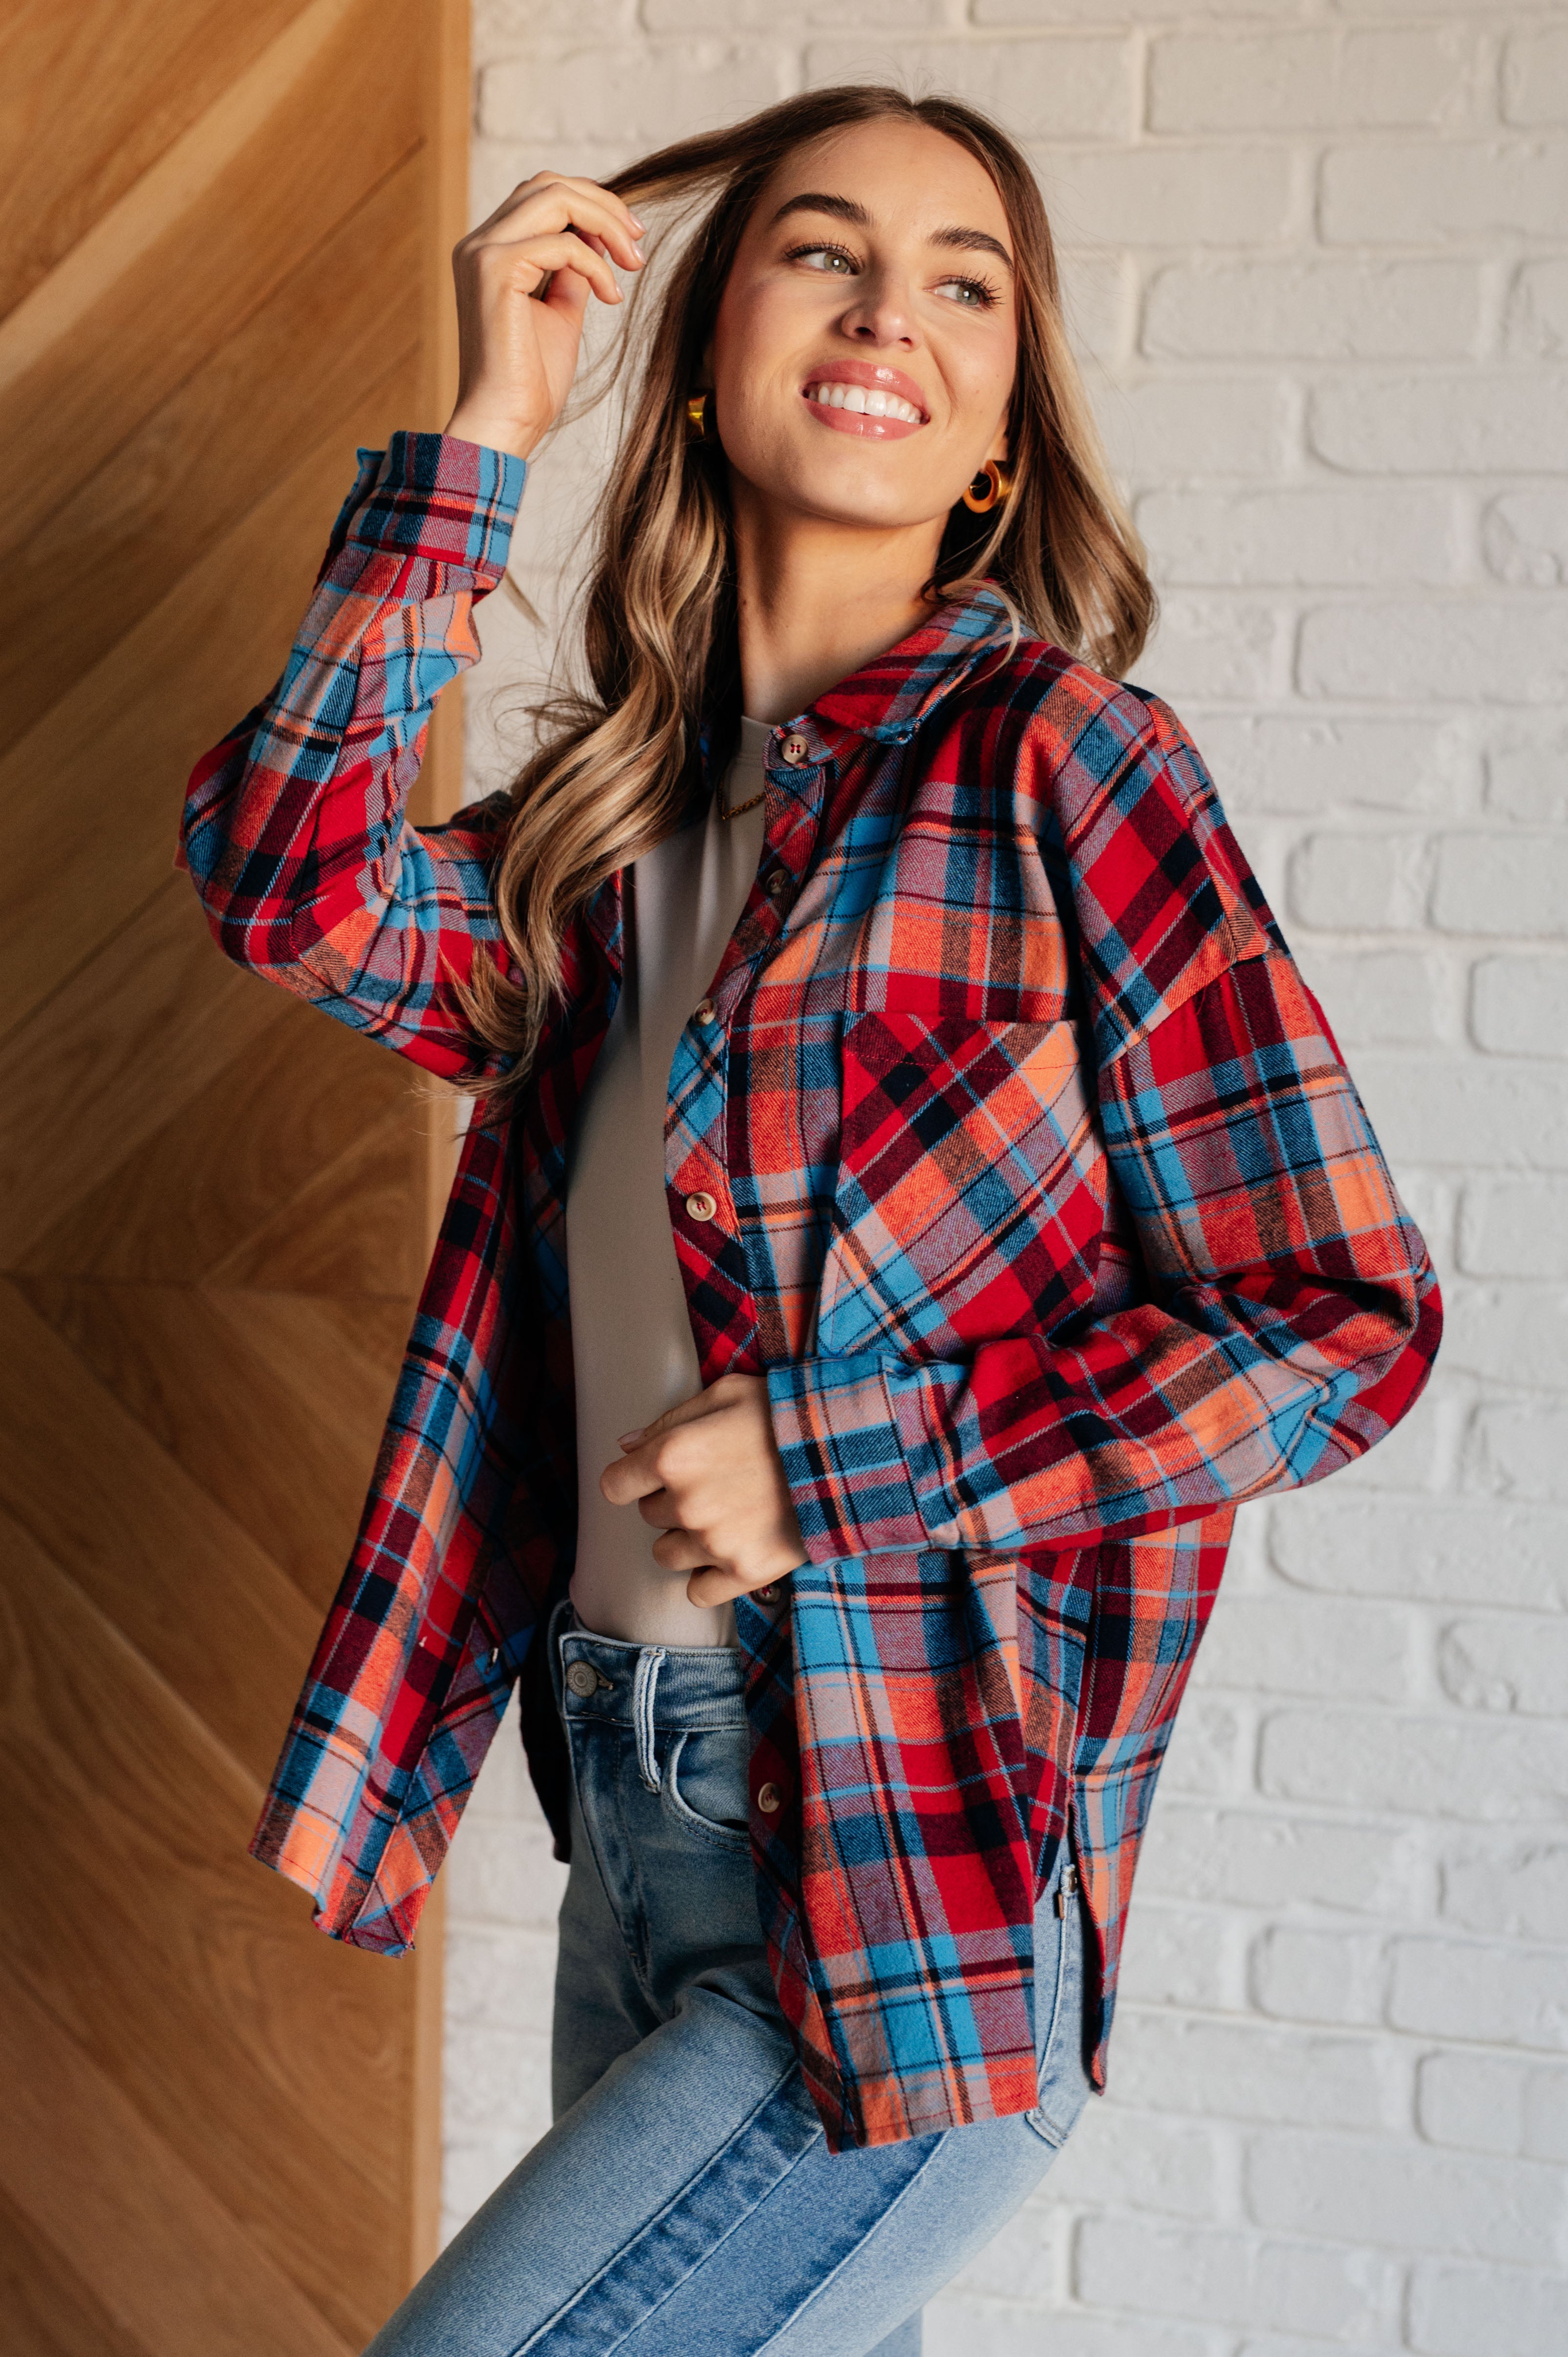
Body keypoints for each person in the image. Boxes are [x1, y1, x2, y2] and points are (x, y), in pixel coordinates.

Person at [181, 83, 1441, 2356]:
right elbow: (292, 890)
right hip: (633, 1817)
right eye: (823, 250)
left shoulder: (1065, 767)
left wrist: (834, 1455)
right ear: (701, 349)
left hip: (903, 1877)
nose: (890, 309)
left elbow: (1336, 1320)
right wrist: (479, 432)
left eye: (963, 280)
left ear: (995, 425)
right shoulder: (609, 829)